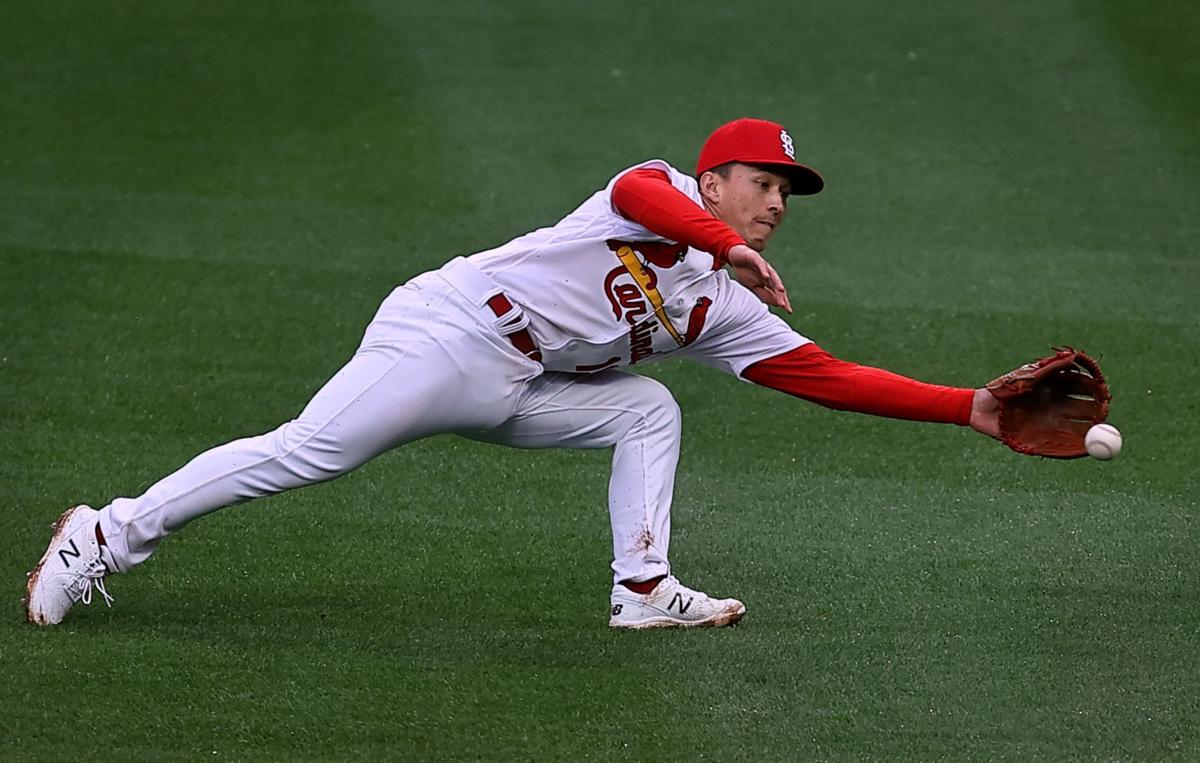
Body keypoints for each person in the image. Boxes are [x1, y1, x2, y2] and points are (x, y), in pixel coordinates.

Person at [24, 118, 1002, 630]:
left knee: (647, 411)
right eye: (762, 182)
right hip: (448, 332)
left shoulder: (719, 305)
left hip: (519, 386)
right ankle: (107, 533)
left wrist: (971, 408)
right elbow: (639, 197)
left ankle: (642, 585)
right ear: (714, 183)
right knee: (310, 453)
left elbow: (825, 375)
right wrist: (725, 245)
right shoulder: (656, 188)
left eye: (786, 191)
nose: (776, 202)